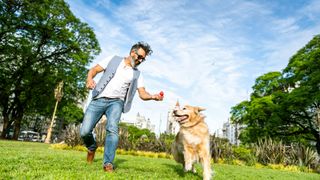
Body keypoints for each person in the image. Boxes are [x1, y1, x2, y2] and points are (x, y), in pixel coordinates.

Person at [80, 42, 163, 172]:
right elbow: (94, 69)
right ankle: (91, 147)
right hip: (98, 99)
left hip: (116, 103)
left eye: (143, 59)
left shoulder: (137, 74)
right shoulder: (113, 59)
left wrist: (153, 96)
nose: (141, 60)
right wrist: (89, 79)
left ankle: (108, 164)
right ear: (132, 53)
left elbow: (142, 93)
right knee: (84, 131)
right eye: (140, 57)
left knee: (112, 130)